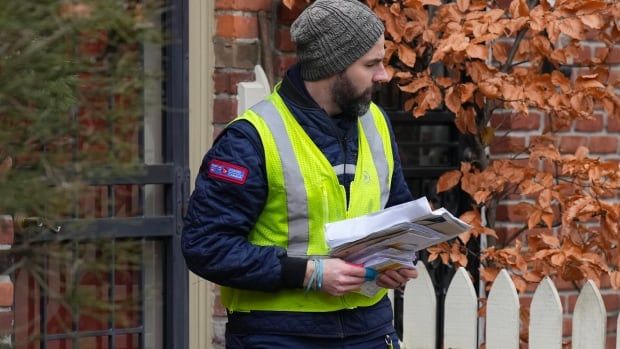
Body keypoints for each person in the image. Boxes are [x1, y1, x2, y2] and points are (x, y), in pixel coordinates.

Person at [182, 0, 418, 347]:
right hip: (279, 334)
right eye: (371, 64)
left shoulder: (376, 123)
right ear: (332, 67)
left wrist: (397, 258)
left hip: (370, 327)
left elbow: (398, 211)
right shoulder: (251, 139)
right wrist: (310, 273)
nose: (383, 75)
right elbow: (206, 246)